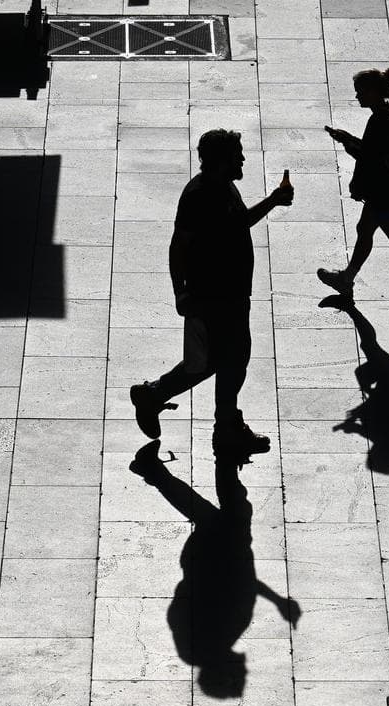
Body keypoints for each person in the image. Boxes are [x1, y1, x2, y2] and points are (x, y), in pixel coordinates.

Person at [130, 129, 293, 459]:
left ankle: (158, 398)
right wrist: (180, 293)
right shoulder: (200, 195)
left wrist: (274, 200)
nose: (243, 159)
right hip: (214, 297)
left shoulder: (223, 186)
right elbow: (179, 245)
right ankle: (225, 429)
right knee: (229, 361)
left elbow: (238, 223)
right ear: (222, 161)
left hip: (230, 293)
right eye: (237, 155)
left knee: (219, 361)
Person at [317, 67, 389, 316]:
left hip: (384, 195)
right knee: (365, 231)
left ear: (372, 92)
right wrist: (348, 138)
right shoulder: (388, 113)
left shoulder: (380, 119)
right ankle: (346, 278)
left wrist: (349, 144)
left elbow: (370, 158)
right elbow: (375, 153)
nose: (357, 97)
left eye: (360, 92)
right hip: (386, 191)